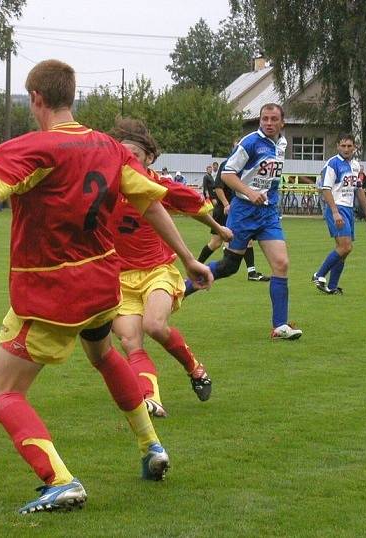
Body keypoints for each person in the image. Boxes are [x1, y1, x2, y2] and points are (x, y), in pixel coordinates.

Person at [0, 59, 213, 514]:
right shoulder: (111, 148)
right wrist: (188, 258)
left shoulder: (37, 147)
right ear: (70, 96)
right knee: (104, 355)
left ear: (36, 98)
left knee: (2, 393)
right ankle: (152, 445)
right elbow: (151, 204)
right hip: (101, 284)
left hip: (53, 294)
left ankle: (61, 480)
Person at [108, 118, 233, 417]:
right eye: (121, 155)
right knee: (130, 340)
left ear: (149, 158)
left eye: (134, 156)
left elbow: (193, 205)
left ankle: (194, 367)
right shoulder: (105, 187)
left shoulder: (157, 186)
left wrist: (218, 227)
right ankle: (150, 398)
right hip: (116, 278)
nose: (127, 161)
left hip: (157, 271)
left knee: (154, 325)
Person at [185, 103, 302, 340]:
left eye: (273, 119)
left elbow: (272, 178)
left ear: (282, 123)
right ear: (260, 120)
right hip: (244, 211)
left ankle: (280, 326)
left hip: (268, 213)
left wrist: (272, 196)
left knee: (281, 264)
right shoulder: (250, 142)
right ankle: (178, 290)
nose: (268, 123)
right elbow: (227, 174)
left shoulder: (282, 144)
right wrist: (249, 193)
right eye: (265, 119)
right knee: (229, 267)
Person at [312, 134, 366, 294]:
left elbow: (358, 189)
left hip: (348, 209)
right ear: (338, 146)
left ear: (355, 147)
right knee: (346, 246)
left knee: (343, 250)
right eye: (343, 146)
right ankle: (318, 274)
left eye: (349, 146)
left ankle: (332, 286)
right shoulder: (332, 164)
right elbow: (326, 189)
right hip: (337, 208)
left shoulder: (355, 165)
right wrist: (335, 212)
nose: (346, 149)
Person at [197, 150, 270, 282]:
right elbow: (218, 187)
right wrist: (226, 204)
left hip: (238, 211)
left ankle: (252, 272)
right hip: (226, 210)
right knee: (215, 243)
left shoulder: (247, 167)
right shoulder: (227, 164)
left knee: (247, 239)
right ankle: (196, 266)